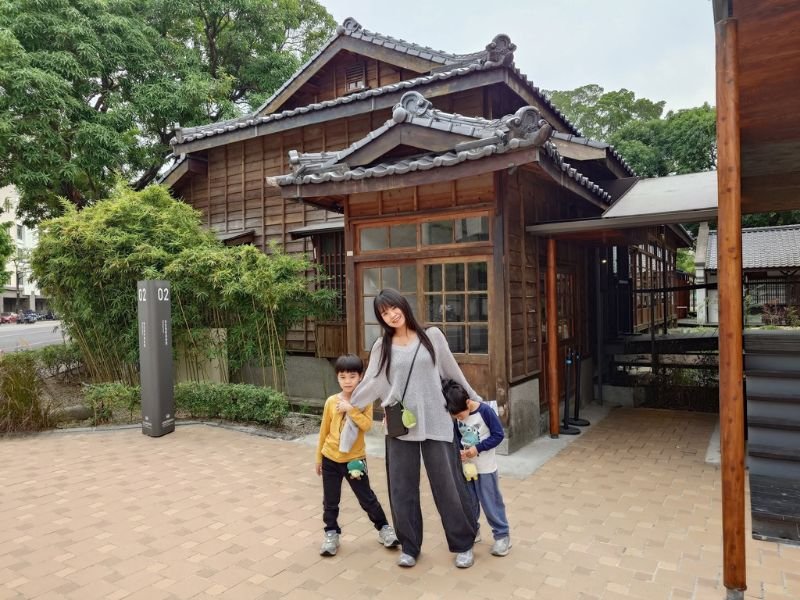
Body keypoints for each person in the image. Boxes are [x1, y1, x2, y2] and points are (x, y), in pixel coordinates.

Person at [342, 288, 480, 569]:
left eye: (393, 308)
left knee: (448, 486)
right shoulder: (383, 346)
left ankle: (464, 543)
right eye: (384, 313)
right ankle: (410, 546)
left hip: (437, 420)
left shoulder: (433, 336)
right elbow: (374, 382)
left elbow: (451, 372)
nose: (391, 315)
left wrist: (473, 400)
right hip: (400, 425)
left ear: (403, 306)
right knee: (402, 488)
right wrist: (350, 401)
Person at [315, 353, 400, 556]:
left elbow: (367, 425)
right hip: (330, 458)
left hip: (354, 460)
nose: (347, 381)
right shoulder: (330, 402)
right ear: (337, 378)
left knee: (366, 497)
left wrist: (351, 409)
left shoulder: (364, 401)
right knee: (330, 500)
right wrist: (319, 458)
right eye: (343, 377)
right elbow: (323, 431)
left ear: (360, 377)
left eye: (352, 376)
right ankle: (331, 534)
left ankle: (384, 529)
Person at [444, 379, 512, 557]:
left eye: (460, 415)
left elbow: (498, 435)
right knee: (469, 502)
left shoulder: (485, 411)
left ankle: (502, 535)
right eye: (456, 417)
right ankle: (473, 531)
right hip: (467, 467)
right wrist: (460, 450)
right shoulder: (458, 414)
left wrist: (477, 449)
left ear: (467, 403)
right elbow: (458, 436)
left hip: (486, 467)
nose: (459, 419)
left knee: (490, 501)